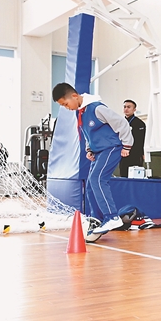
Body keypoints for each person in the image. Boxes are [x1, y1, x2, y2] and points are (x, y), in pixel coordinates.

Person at [52, 82, 134, 239]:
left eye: (65, 104)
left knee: (97, 179)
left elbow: (121, 123)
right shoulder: (81, 112)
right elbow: (88, 134)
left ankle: (112, 217)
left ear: (74, 96)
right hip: (98, 152)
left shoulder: (97, 108)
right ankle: (97, 219)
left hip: (111, 148)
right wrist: (89, 149)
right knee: (90, 185)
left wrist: (127, 145)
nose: (66, 108)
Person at [119, 99, 146, 177]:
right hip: (123, 154)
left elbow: (141, 141)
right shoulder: (120, 122)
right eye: (124, 107)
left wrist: (142, 153)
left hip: (135, 155)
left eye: (129, 107)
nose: (126, 109)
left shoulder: (139, 123)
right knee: (123, 175)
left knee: (135, 176)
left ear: (134, 109)